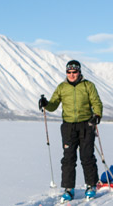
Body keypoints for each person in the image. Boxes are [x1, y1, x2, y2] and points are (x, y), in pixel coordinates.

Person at [39, 60, 103, 201]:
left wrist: (97, 115)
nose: (72, 75)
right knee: (68, 158)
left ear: (79, 72)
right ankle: (68, 189)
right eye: (69, 72)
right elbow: (53, 105)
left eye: (75, 72)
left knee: (87, 156)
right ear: (66, 73)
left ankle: (91, 186)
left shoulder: (88, 85)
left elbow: (96, 102)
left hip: (86, 125)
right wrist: (46, 104)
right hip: (68, 127)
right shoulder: (62, 87)